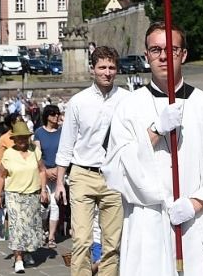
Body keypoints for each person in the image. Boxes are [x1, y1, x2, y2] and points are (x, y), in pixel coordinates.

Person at [102, 23, 203, 276]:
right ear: (146, 55)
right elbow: (115, 171)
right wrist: (155, 131)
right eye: (155, 50)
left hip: (195, 224)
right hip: (148, 224)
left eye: (171, 49)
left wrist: (196, 203)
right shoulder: (129, 107)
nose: (163, 56)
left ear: (184, 55)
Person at [56, 46, 126, 276]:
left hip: (114, 176)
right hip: (82, 174)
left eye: (112, 67)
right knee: (82, 241)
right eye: (102, 67)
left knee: (111, 244)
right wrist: (59, 183)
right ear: (92, 70)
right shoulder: (78, 102)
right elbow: (66, 145)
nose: (107, 72)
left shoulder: (127, 99)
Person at [0, 120, 46, 273]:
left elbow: (42, 170)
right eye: (19, 138)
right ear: (14, 139)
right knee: (17, 226)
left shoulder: (35, 150)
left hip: (32, 193)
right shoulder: (8, 154)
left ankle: (26, 253)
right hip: (14, 194)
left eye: (25, 137)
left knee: (30, 226)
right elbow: (1, 176)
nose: (22, 140)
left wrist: (43, 190)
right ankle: (18, 258)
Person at [34, 104, 66, 248]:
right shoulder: (39, 133)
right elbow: (37, 155)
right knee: (43, 206)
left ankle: (52, 237)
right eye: (53, 114)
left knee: (55, 204)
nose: (56, 117)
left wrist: (58, 171)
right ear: (47, 116)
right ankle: (42, 230)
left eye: (57, 114)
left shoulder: (62, 132)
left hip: (58, 172)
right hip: (44, 172)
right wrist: (46, 171)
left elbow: (66, 153)